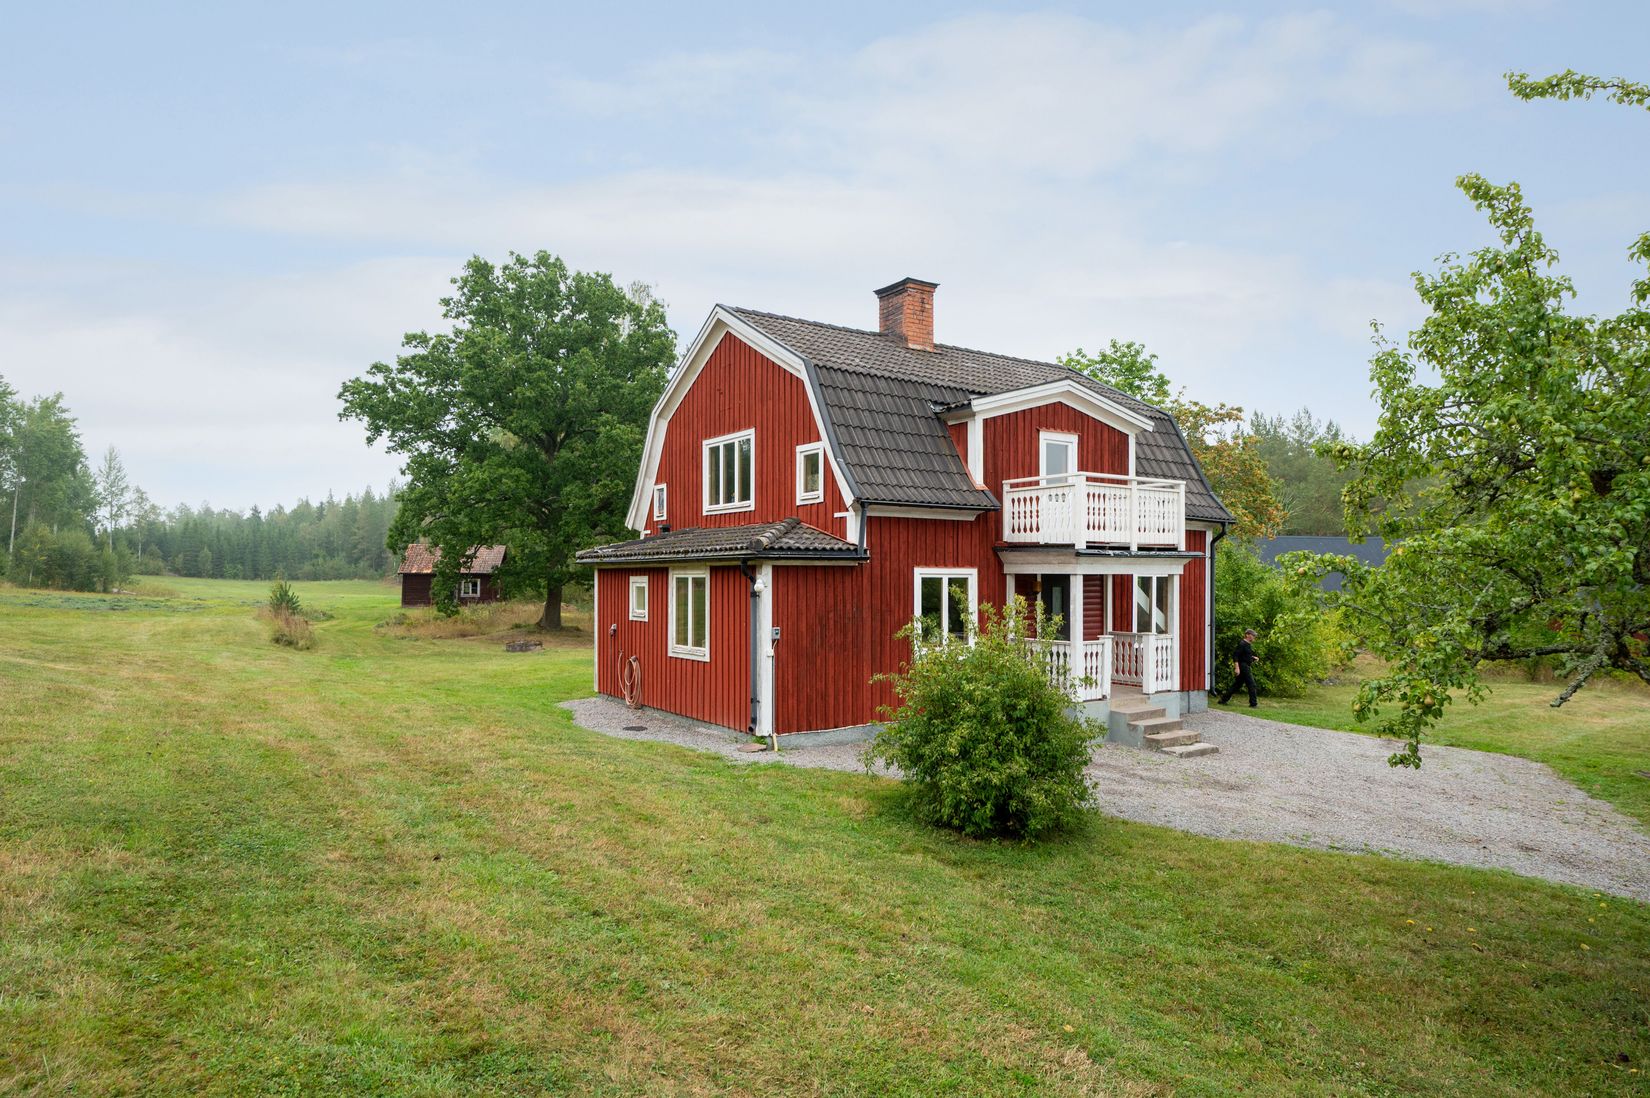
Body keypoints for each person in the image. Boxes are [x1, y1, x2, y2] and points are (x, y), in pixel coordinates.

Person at [1218, 628, 1260, 708]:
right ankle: (1253, 704)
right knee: (1252, 684)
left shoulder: (1247, 644)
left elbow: (1244, 656)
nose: (1254, 637)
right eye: (1253, 635)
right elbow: (1236, 656)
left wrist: (1253, 658)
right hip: (1243, 667)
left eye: (1254, 636)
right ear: (1247, 635)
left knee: (1237, 685)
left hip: (1245, 665)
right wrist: (1237, 668)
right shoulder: (1242, 644)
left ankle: (1223, 700)